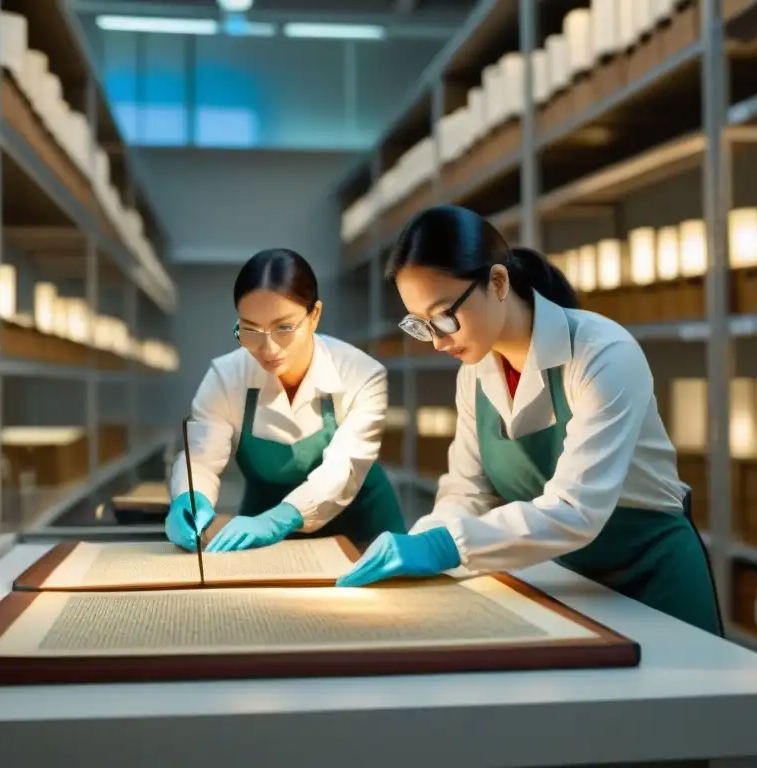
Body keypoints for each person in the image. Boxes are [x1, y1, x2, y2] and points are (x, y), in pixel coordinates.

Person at [336, 205, 722, 637]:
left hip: (654, 584)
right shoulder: (475, 374)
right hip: (569, 583)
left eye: (444, 316)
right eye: (421, 325)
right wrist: (420, 541)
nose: (437, 340)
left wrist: (445, 546)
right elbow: (468, 491)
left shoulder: (603, 353)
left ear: (497, 282)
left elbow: (576, 511)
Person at [166, 247, 407, 553]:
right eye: (250, 329)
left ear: (314, 315)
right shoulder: (227, 377)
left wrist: (280, 519)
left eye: (283, 328)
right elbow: (200, 458)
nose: (267, 348)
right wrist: (190, 499)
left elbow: (342, 469)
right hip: (260, 528)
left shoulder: (360, 374)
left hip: (361, 526)